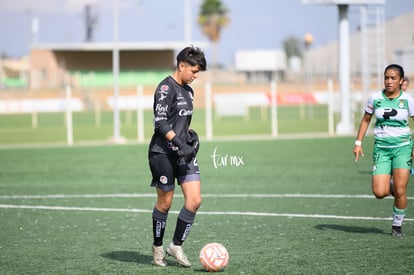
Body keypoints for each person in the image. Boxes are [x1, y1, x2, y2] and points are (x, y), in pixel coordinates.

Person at [148, 46, 207, 267]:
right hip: (162, 153)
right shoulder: (165, 88)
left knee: (195, 200)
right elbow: (161, 124)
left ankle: (176, 246)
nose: (195, 76)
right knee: (165, 203)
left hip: (184, 153)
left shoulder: (188, 91)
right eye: (193, 71)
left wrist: (190, 136)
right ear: (181, 65)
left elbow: (180, 122)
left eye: (198, 72)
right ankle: (157, 247)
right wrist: (180, 142)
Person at [353, 64, 414, 237]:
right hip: (381, 148)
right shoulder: (375, 98)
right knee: (379, 192)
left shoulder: (408, 100)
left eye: (393, 78)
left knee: (401, 191)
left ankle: (397, 225)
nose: (389, 81)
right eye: (386, 77)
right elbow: (366, 120)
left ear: (401, 80)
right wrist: (358, 143)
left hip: (403, 147)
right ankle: (394, 186)